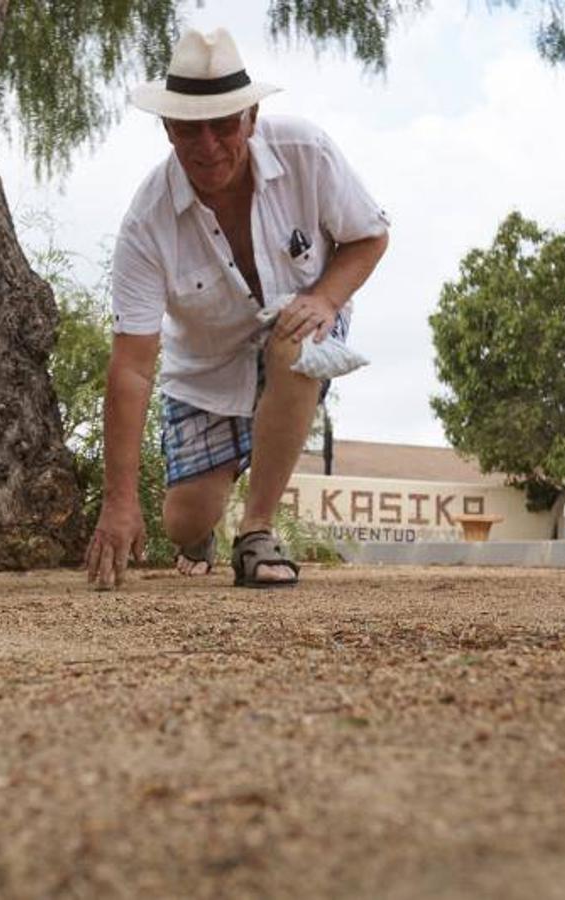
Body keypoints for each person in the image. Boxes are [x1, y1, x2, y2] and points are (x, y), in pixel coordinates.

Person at [84, 28, 389, 589]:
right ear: (167, 128)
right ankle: (201, 532)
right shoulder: (146, 225)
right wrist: (119, 500)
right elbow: (131, 367)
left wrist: (325, 298)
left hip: (304, 314)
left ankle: (256, 532)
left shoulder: (307, 151)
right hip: (206, 366)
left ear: (251, 117)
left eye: (223, 124)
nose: (207, 146)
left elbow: (369, 236)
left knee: (299, 342)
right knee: (184, 519)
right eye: (189, 128)